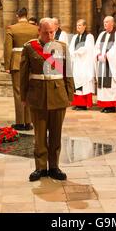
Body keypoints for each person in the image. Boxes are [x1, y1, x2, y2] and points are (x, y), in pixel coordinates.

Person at [20, 18, 74, 182]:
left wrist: (70, 95)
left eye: (52, 32)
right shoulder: (29, 48)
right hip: (37, 96)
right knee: (40, 135)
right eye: (46, 32)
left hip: (58, 95)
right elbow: (23, 75)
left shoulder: (62, 47)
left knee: (56, 134)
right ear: (39, 31)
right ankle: (40, 168)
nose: (50, 35)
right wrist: (23, 96)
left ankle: (54, 167)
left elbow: (68, 73)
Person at [4, 7, 39, 131]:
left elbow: (8, 48)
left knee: (18, 92)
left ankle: (20, 122)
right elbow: (39, 45)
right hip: (32, 63)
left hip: (17, 63)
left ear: (17, 16)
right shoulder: (35, 29)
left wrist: (7, 66)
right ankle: (28, 122)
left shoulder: (12, 28)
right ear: (26, 15)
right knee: (29, 91)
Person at [95, 16, 116, 113]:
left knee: (111, 85)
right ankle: (104, 105)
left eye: (107, 22)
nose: (105, 24)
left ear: (112, 23)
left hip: (111, 64)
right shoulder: (102, 34)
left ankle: (111, 106)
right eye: (104, 22)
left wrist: (107, 56)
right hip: (102, 63)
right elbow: (96, 47)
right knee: (102, 85)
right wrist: (98, 54)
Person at [69, 19, 95, 110]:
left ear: (85, 26)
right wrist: (73, 53)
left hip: (85, 63)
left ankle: (83, 105)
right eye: (77, 25)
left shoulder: (89, 36)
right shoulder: (75, 37)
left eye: (80, 25)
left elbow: (88, 48)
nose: (78, 27)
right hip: (76, 63)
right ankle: (77, 103)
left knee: (84, 84)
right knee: (76, 83)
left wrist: (77, 52)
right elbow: (71, 48)